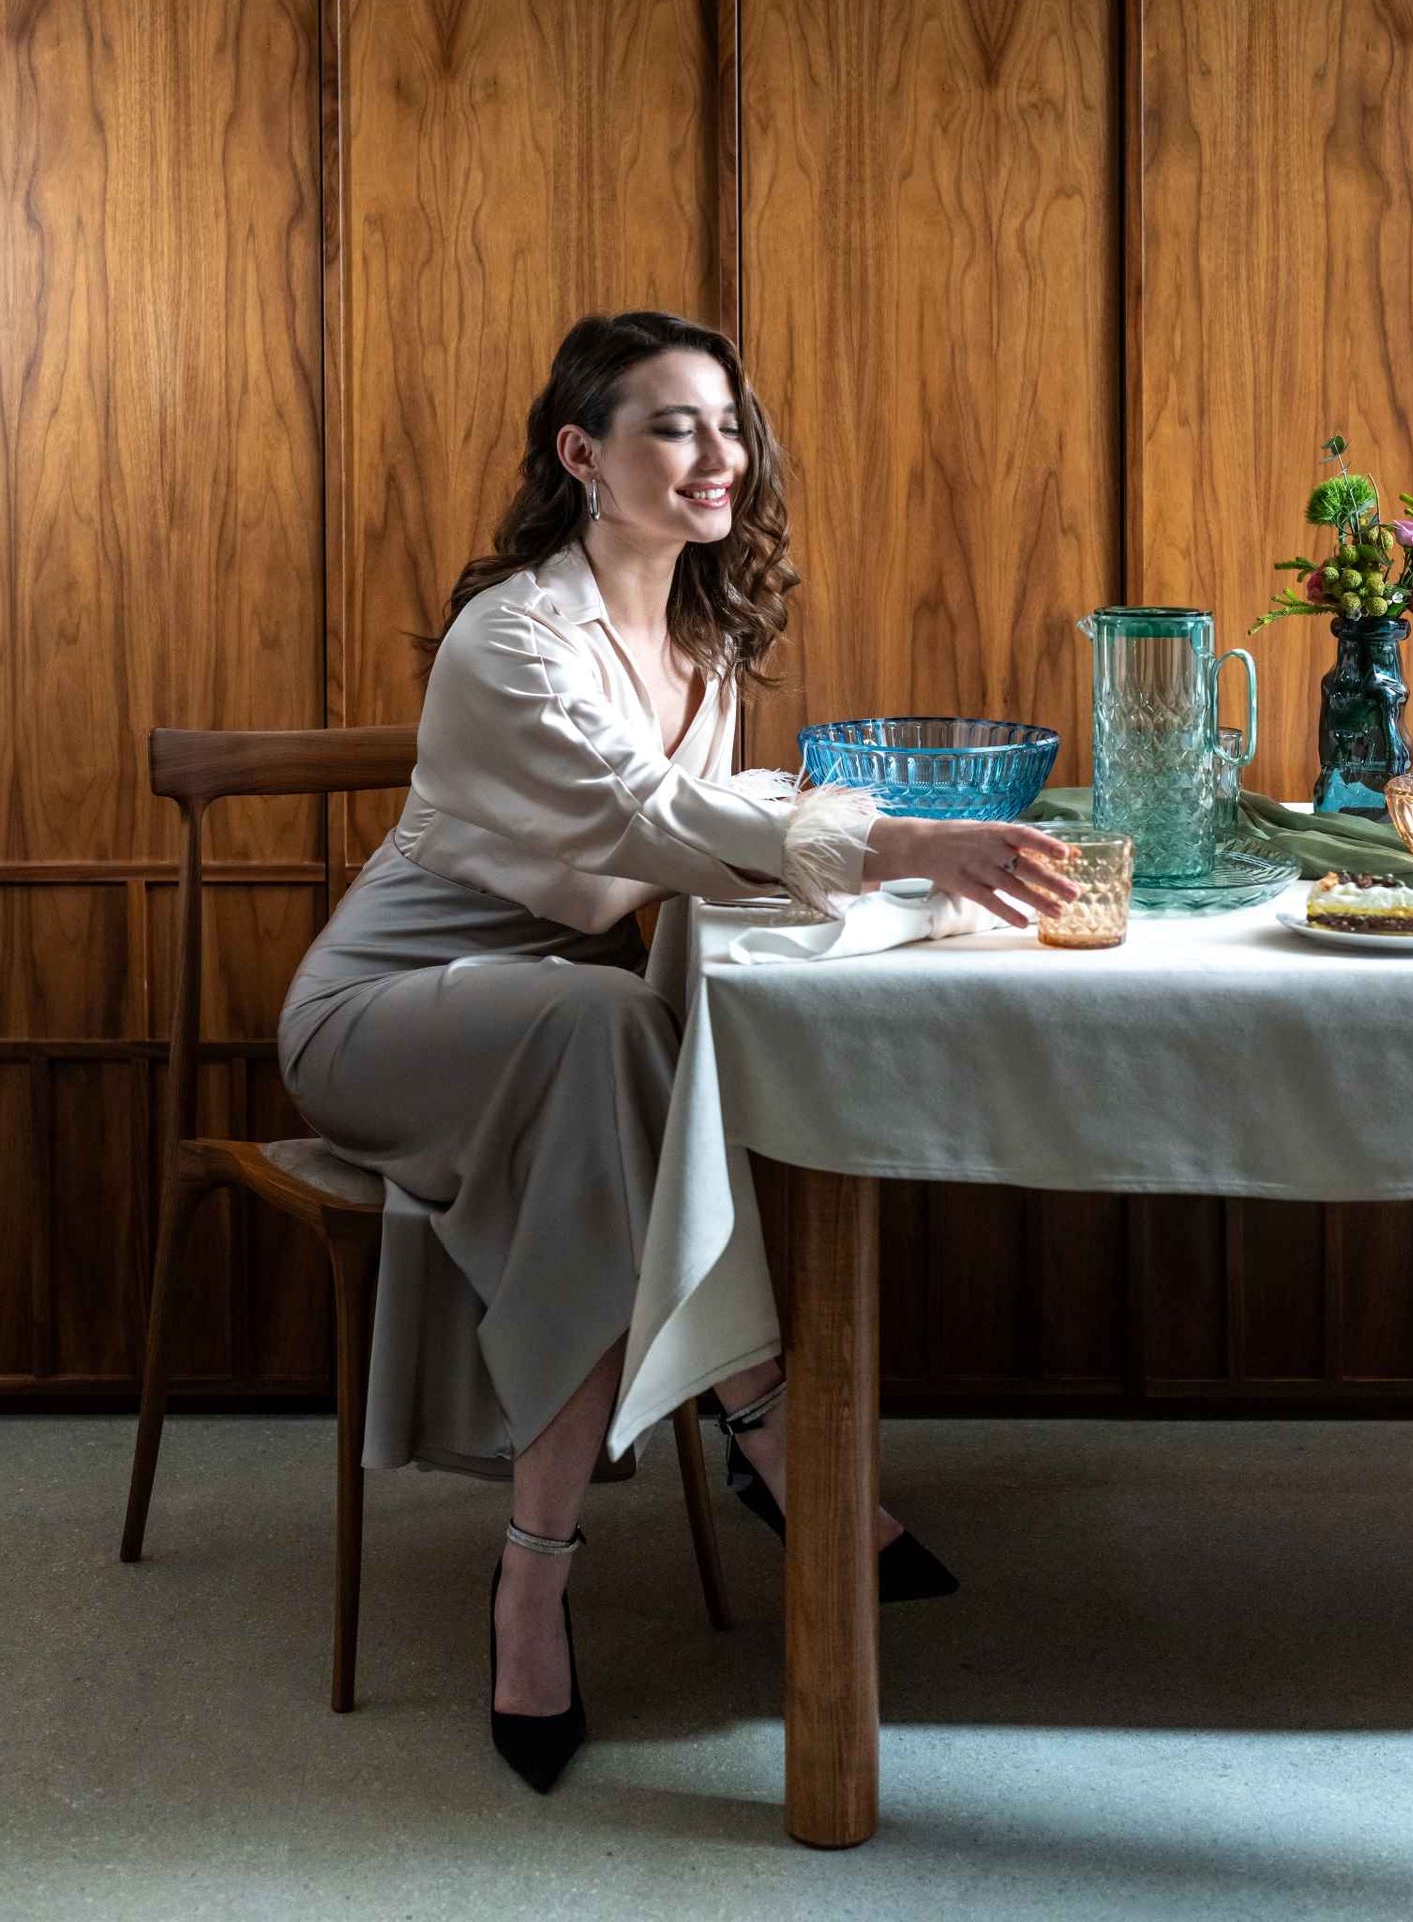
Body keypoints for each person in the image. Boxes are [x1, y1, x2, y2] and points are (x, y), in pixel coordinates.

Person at [277, 311, 1076, 1792]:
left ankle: (540, 1566)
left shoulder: (703, 636)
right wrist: (908, 842)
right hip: (383, 1016)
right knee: (613, 1035)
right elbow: (649, 817)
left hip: (567, 1032)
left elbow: (728, 818)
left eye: (726, 423)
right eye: (671, 425)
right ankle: (762, 1431)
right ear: (582, 454)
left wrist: (909, 857)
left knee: (619, 1063)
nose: (717, 455)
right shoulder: (512, 636)